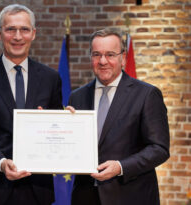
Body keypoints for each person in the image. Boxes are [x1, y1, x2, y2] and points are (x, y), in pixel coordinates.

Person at [0, 4, 63, 205]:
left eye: (24, 29)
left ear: (33, 34)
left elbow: (55, 131)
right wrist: (1, 163)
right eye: (11, 29)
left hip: (37, 190)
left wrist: (65, 121)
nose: (18, 36)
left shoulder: (50, 79)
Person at [69, 28, 170, 205]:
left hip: (131, 196)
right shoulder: (77, 97)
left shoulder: (147, 95)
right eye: (96, 54)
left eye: (110, 54)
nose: (102, 61)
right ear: (90, 58)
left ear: (123, 58)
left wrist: (121, 167)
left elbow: (159, 148)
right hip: (85, 197)